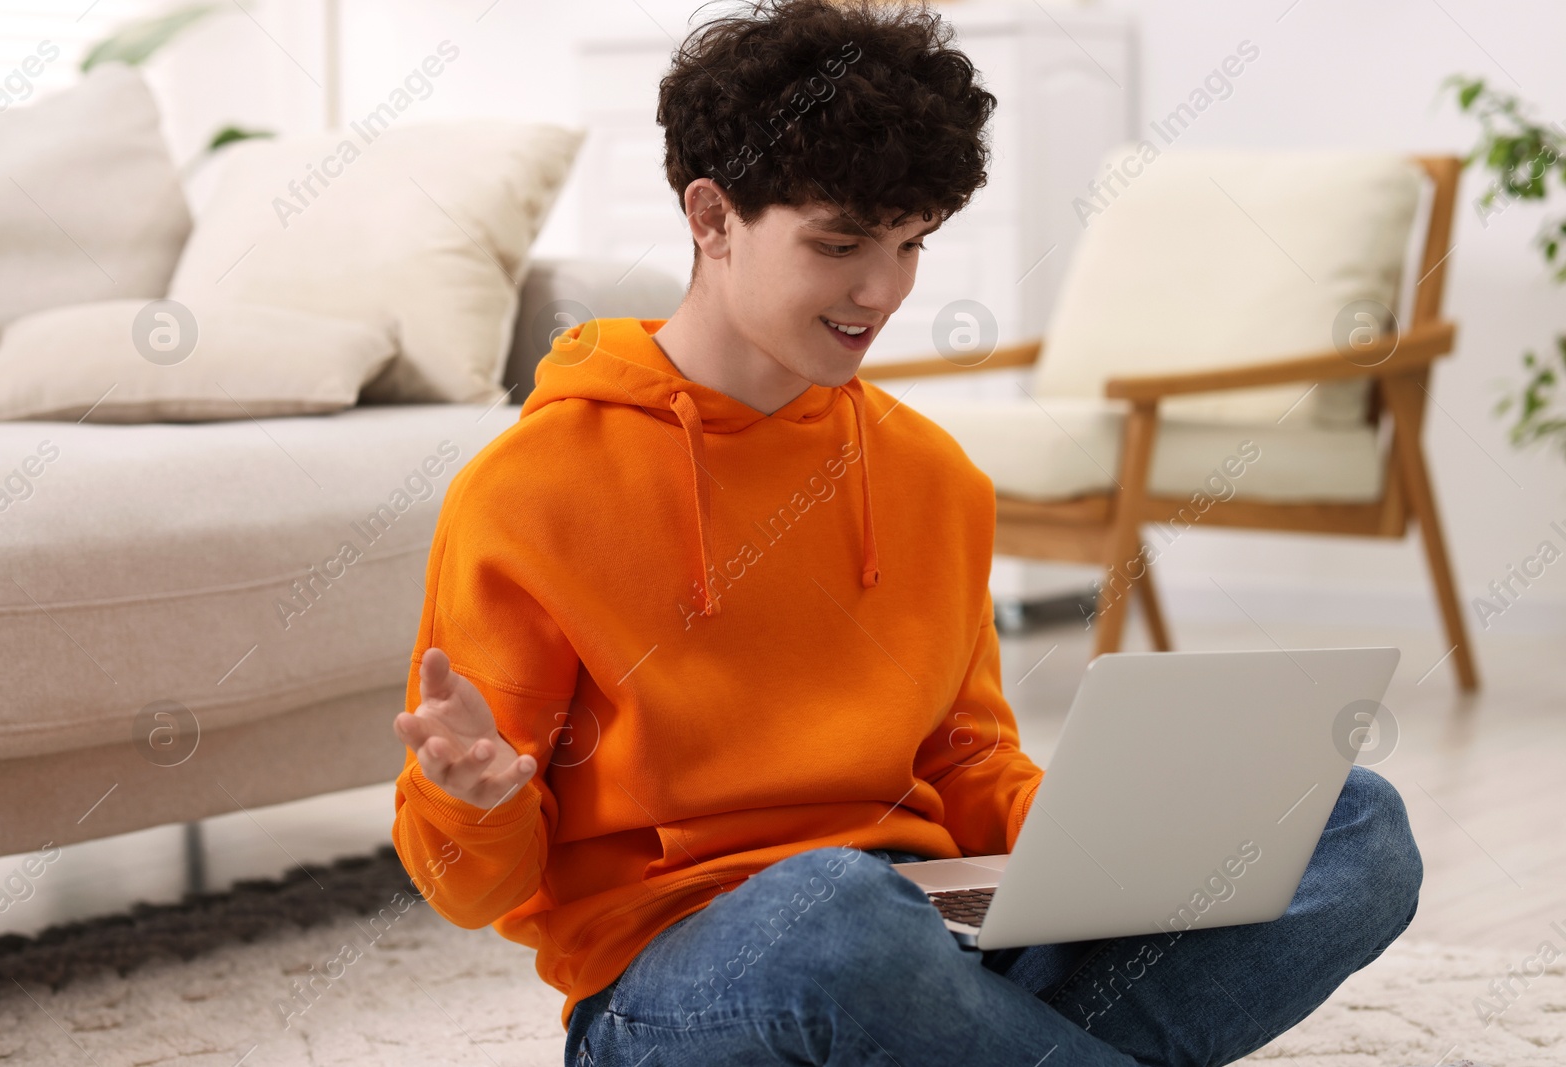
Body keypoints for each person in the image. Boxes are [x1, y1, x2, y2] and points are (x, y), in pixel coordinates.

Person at [390, 1, 1427, 1063]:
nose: (880, 291)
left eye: (910, 243)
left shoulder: (930, 473)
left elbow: (969, 760)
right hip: (686, 985)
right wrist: (467, 797)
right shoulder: (531, 488)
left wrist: (1106, 830)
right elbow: (473, 887)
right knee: (837, 910)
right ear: (710, 217)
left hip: (936, 939)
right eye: (838, 244)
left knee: (1349, 821)